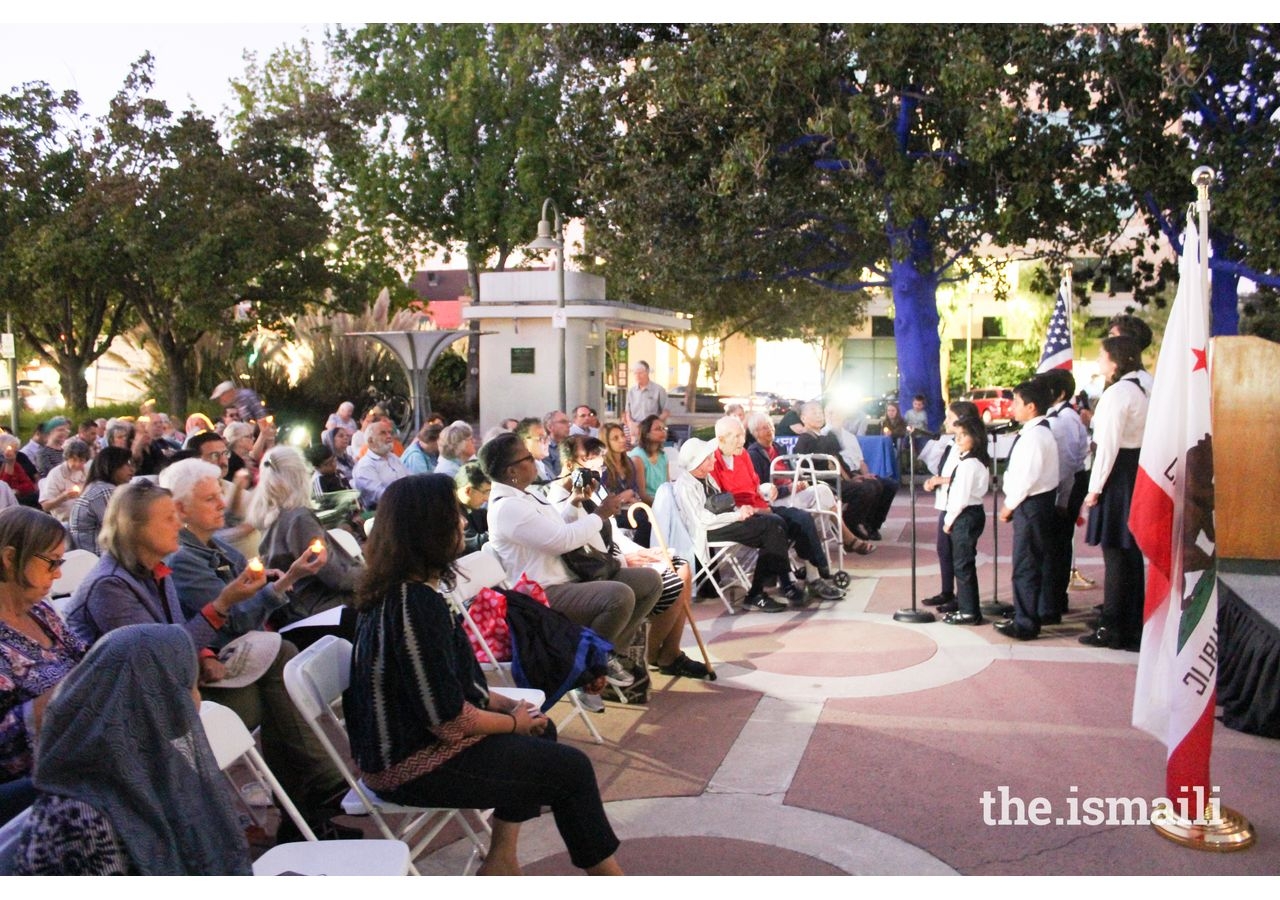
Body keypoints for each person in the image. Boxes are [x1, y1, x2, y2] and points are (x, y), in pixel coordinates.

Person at [346, 475, 623, 875]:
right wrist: (512, 721)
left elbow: (457, 683)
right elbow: (448, 719)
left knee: (540, 729)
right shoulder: (412, 605)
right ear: (429, 528)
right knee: (571, 769)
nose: (463, 522)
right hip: (409, 765)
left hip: (421, 743)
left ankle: (501, 860)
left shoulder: (409, 591)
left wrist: (509, 706)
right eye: (454, 515)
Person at [161, 458, 349, 835]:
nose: (223, 504)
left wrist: (273, 581)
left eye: (219, 495)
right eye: (210, 499)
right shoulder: (183, 559)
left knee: (282, 667)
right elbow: (230, 619)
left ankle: (311, 813)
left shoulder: (211, 546)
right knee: (281, 671)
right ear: (180, 509)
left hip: (239, 655)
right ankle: (317, 800)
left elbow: (246, 588)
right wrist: (281, 585)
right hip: (214, 668)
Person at [10, 624, 252, 874]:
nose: (196, 699)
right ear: (148, 698)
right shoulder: (82, 815)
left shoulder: (156, 760)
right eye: (185, 685)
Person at [480, 432, 661, 691]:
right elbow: (561, 541)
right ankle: (586, 669)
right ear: (512, 471)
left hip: (564, 579)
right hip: (541, 594)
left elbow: (556, 528)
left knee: (649, 581)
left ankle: (605, 654)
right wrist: (600, 514)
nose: (535, 461)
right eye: (528, 457)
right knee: (618, 596)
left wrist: (575, 501)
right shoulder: (507, 507)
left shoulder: (526, 495)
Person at [548, 438, 709, 679]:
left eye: (601, 466)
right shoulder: (559, 500)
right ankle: (650, 655)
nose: (599, 471)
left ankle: (669, 653)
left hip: (611, 559)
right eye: (593, 463)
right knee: (674, 577)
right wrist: (626, 559)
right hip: (592, 572)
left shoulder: (592, 488)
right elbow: (579, 546)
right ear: (572, 463)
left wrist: (638, 552)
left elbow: (610, 533)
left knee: (680, 567)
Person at [0, 508, 87, 822]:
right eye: (51, 562)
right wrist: (56, 698)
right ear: (10, 558)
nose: (58, 574)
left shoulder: (40, 610)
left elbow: (82, 657)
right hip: (37, 787)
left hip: (82, 742)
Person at [710, 417, 844, 604]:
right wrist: (757, 507)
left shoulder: (742, 455)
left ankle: (815, 575)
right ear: (721, 439)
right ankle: (789, 582)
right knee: (776, 527)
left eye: (743, 434)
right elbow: (721, 501)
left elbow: (755, 485)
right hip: (742, 514)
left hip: (762, 507)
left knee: (802, 518)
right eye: (737, 436)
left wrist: (766, 488)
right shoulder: (712, 461)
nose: (743, 440)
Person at [249, 446, 361, 645]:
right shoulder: (298, 518)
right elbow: (336, 576)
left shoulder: (270, 513)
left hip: (295, 607)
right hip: (314, 609)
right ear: (301, 475)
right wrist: (378, 577)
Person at [1080, 335, 1150, 650]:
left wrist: (1094, 490)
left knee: (1116, 553)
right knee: (1131, 552)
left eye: (1102, 356)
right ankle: (1132, 621)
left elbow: (1106, 446)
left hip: (1119, 473)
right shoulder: (1148, 385)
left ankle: (1113, 627)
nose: (1099, 361)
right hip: (1140, 469)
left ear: (1116, 361)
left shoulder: (1119, 392)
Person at [674, 438, 793, 613]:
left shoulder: (706, 478)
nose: (713, 459)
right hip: (708, 530)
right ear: (698, 462)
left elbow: (722, 504)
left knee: (776, 523)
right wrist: (737, 515)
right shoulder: (685, 486)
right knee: (771, 528)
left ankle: (771, 583)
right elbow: (702, 519)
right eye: (709, 457)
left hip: (722, 522)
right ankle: (765, 589)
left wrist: (741, 510)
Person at [745, 412, 874, 556]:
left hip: (794, 492)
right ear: (755, 433)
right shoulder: (753, 455)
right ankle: (847, 540)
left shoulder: (778, 448)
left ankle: (837, 542)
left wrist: (799, 482)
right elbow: (762, 489)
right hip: (777, 500)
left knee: (825, 494)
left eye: (770, 426)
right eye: (764, 428)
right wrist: (787, 489)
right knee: (825, 494)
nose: (770, 430)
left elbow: (794, 471)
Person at [993, 379, 1060, 641]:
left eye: (1017, 403)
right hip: (1035, 504)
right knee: (1030, 561)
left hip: (1031, 504)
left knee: (1026, 563)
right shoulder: (1035, 432)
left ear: (1031, 407)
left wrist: (1009, 506)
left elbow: (1027, 476)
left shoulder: (1036, 436)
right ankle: (1029, 611)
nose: (1012, 407)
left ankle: (1025, 622)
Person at [794, 401, 896, 542]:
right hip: (824, 483)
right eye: (814, 413)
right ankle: (850, 524)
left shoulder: (827, 438)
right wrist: (847, 479)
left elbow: (839, 461)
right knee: (866, 488)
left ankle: (865, 523)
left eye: (819, 412)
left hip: (837, 478)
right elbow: (804, 469)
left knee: (876, 484)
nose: (819, 416)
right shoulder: (805, 440)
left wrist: (851, 477)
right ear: (803, 418)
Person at [1038, 368, 1091, 618]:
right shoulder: (1055, 416)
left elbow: (1068, 463)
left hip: (1066, 487)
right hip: (1061, 485)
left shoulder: (1066, 419)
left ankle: (1051, 605)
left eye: (1046, 389)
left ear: (1059, 393)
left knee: (1055, 549)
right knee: (1052, 548)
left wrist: (1062, 500)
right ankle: (1051, 600)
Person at [940, 418, 990, 626]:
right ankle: (967, 608)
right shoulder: (970, 461)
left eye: (964, 435)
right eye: (957, 435)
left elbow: (960, 497)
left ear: (976, 438)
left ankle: (969, 611)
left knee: (962, 564)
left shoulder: (970, 464)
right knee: (963, 563)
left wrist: (949, 520)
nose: (958, 439)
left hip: (966, 514)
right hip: (971, 512)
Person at [66, 447, 135, 553]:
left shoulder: (97, 487)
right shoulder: (104, 491)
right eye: (127, 464)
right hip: (100, 557)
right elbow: (121, 531)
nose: (132, 469)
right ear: (112, 466)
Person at [600, 422, 649, 546]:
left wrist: (631, 494)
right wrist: (622, 498)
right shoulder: (602, 467)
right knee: (644, 522)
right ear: (607, 442)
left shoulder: (628, 462)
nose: (622, 440)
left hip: (630, 507)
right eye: (615, 438)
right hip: (613, 513)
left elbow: (634, 488)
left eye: (622, 435)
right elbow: (603, 498)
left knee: (653, 517)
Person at [352, 418, 409, 509]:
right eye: (383, 433)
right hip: (383, 511)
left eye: (390, 432)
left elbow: (409, 479)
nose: (389, 436)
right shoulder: (365, 465)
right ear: (371, 441)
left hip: (404, 505)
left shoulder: (393, 458)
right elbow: (380, 494)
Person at [38, 438, 90, 525]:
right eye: (74, 460)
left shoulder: (88, 471)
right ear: (67, 458)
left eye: (81, 461)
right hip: (65, 521)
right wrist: (63, 497)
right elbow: (45, 506)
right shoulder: (56, 474)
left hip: (87, 519)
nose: (77, 464)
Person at [628, 414, 670, 507]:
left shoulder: (663, 456)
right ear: (646, 434)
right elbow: (642, 494)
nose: (663, 432)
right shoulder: (638, 458)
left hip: (663, 503)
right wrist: (662, 506)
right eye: (658, 429)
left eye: (664, 429)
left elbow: (667, 487)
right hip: (646, 506)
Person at [623, 360, 669, 445]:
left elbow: (666, 412)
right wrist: (631, 425)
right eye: (635, 373)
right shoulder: (631, 391)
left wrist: (652, 425)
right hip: (635, 430)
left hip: (651, 430)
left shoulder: (658, 390)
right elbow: (627, 412)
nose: (637, 376)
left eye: (640, 373)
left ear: (647, 372)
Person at [454, 463, 492, 553]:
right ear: (468, 491)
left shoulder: (474, 508)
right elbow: (474, 544)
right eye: (485, 492)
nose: (487, 498)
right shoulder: (450, 513)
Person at [0, 433, 39, 507]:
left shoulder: (16, 464)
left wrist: (16, 490)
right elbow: (3, 487)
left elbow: (29, 486)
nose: (14, 454)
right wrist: (9, 465)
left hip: (18, 497)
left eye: (15, 452)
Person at [543, 411, 572, 478]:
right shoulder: (545, 449)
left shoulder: (572, 445)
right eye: (563, 422)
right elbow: (550, 478)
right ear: (550, 427)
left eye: (569, 422)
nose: (568, 426)